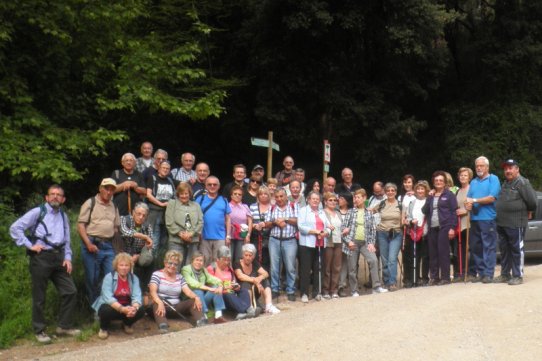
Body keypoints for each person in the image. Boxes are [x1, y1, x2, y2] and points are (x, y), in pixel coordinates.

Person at [9, 184, 80, 343]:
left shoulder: (63, 216)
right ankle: (39, 330)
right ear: (46, 198)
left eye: (58, 195)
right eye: (52, 194)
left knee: (70, 291)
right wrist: (29, 245)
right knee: (40, 296)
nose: (55, 197)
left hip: (59, 258)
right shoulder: (38, 212)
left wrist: (67, 258)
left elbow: (67, 240)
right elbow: (15, 228)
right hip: (41, 257)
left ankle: (64, 326)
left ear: (63, 199)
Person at [78, 178, 121, 304]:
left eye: (112, 190)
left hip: (108, 245)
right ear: (100, 189)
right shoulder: (90, 202)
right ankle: (95, 307)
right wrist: (88, 244)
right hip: (92, 244)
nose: (109, 192)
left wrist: (118, 248)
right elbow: (81, 226)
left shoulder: (114, 205)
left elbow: (116, 227)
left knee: (112, 276)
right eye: (106, 189)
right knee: (92, 278)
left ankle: (107, 304)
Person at [495, 159, 537, 285]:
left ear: (517, 169)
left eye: (510, 168)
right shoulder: (506, 183)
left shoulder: (523, 183)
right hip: (502, 223)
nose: (507, 171)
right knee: (504, 250)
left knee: (517, 250)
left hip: (516, 223)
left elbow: (533, 202)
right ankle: (505, 274)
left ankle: (518, 276)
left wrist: (529, 211)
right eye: (506, 169)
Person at [344, 189, 388, 296]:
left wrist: (371, 243)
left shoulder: (369, 212)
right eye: (355, 197)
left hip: (365, 242)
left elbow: (372, 229)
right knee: (352, 267)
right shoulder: (350, 212)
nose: (356, 199)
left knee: (373, 260)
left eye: (359, 197)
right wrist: (348, 241)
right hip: (353, 242)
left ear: (364, 198)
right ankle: (354, 290)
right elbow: (343, 228)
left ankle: (376, 287)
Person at [92, 252, 146, 340]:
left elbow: (137, 296)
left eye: (126, 265)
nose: (124, 268)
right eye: (121, 265)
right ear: (116, 266)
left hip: (126, 307)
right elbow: (108, 298)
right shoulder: (109, 277)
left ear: (130, 267)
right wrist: (122, 309)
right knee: (105, 309)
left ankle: (127, 324)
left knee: (141, 309)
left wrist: (134, 308)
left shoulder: (134, 278)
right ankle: (104, 328)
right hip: (113, 307)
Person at [149, 250, 205, 332]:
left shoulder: (180, 277)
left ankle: (201, 321)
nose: (172, 266)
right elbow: (153, 291)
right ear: (165, 263)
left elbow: (188, 291)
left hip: (176, 306)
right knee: (156, 303)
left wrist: (196, 297)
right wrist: (159, 302)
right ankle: (163, 326)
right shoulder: (157, 274)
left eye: (175, 264)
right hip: (160, 306)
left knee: (194, 300)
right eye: (170, 263)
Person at [465, 156, 501, 283]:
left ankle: (488, 273)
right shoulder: (473, 182)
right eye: (477, 166)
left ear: (487, 167)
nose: (479, 168)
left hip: (488, 218)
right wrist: (467, 205)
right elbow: (468, 199)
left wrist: (474, 201)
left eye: (481, 166)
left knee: (488, 247)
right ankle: (481, 273)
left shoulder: (493, 179)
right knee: (476, 247)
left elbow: (491, 198)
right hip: (474, 218)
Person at [422, 172, 457, 285]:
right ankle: (434, 277)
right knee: (433, 253)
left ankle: (445, 278)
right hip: (432, 227)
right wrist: (429, 197)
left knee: (443, 253)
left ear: (445, 182)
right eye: (436, 180)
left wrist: (452, 228)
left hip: (445, 227)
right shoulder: (431, 196)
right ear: (433, 182)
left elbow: (453, 212)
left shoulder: (450, 195)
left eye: (441, 180)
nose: (438, 182)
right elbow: (424, 210)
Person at [265, 188, 298, 302]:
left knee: (290, 267)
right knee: (274, 267)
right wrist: (275, 222)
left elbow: (298, 220)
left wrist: (286, 219)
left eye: (281, 196)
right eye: (277, 197)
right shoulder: (272, 207)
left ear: (286, 196)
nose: (279, 199)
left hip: (290, 240)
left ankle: (291, 290)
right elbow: (267, 223)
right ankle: (275, 289)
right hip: (274, 240)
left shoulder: (294, 206)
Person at [207, 246, 257, 320]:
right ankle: (246, 310)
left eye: (228, 260)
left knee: (244, 290)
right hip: (219, 295)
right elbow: (210, 286)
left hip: (231, 292)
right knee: (228, 294)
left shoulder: (229, 269)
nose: (227, 262)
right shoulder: (212, 268)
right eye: (224, 260)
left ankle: (245, 311)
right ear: (218, 259)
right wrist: (225, 287)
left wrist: (236, 286)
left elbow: (233, 282)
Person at [297, 191, 330, 302]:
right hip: (307, 244)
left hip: (320, 244)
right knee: (305, 269)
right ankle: (304, 293)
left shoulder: (322, 212)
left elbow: (329, 226)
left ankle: (317, 292)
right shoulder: (303, 211)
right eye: (313, 199)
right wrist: (315, 231)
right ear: (308, 199)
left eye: (317, 199)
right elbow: (301, 227)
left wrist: (326, 232)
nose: (315, 201)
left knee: (318, 269)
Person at [182, 252, 228, 324]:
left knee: (216, 287)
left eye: (201, 260)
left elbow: (213, 279)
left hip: (202, 300)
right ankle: (204, 316)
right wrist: (208, 288)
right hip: (190, 300)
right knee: (198, 291)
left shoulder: (203, 270)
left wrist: (220, 286)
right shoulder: (186, 269)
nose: (199, 262)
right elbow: (192, 283)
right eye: (197, 260)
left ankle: (218, 316)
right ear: (192, 261)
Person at [233, 244, 280, 314]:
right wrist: (254, 280)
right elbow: (240, 276)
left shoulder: (254, 263)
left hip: (255, 290)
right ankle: (250, 308)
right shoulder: (237, 263)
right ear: (242, 255)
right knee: (246, 283)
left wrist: (259, 279)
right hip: (243, 292)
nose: (248, 258)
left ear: (253, 256)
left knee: (265, 281)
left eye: (250, 255)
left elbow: (266, 273)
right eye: (246, 255)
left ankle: (269, 305)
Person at [165, 182, 203, 267]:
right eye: (181, 194)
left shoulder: (196, 205)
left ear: (190, 194)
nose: (184, 196)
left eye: (186, 193)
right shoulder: (172, 203)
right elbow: (169, 222)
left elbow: (200, 222)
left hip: (193, 240)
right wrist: (181, 234)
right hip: (176, 240)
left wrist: (191, 234)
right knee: (175, 265)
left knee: (190, 267)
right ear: (178, 194)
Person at [195, 176, 232, 265]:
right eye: (209, 184)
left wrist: (228, 236)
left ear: (219, 186)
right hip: (204, 236)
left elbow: (228, 219)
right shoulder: (200, 199)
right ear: (205, 186)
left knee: (219, 262)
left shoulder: (224, 200)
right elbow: (195, 217)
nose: (212, 186)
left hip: (220, 237)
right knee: (204, 261)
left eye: (215, 184)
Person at [373, 183, 402, 291]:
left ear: (395, 192)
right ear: (385, 192)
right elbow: (370, 212)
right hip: (382, 233)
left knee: (392, 259)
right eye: (388, 190)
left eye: (392, 190)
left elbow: (403, 220)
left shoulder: (400, 205)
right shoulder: (381, 204)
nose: (390, 192)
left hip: (396, 234)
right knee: (384, 259)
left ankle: (392, 282)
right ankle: (386, 281)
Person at [120, 202, 154, 293]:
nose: (141, 217)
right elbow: (125, 232)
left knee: (150, 260)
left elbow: (150, 245)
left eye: (144, 215)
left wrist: (138, 256)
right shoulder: (124, 219)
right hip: (122, 252)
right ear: (133, 212)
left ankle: (146, 291)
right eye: (139, 214)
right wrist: (144, 237)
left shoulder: (148, 226)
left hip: (138, 254)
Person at [146, 160, 177, 258]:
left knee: (164, 241)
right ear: (159, 168)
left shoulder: (170, 181)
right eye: (163, 168)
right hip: (155, 212)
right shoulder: (153, 178)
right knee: (154, 240)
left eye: (167, 168)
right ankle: (151, 265)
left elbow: (175, 195)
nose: (165, 170)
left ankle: (160, 263)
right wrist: (161, 203)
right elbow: (148, 195)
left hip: (167, 214)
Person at [403, 181, 430, 287]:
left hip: (425, 232)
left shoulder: (429, 201)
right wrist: (410, 221)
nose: (420, 191)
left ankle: (424, 278)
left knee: (425, 256)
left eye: (422, 189)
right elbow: (408, 216)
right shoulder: (412, 202)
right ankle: (414, 278)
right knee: (414, 256)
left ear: (426, 190)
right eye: (418, 189)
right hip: (413, 231)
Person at [322, 192, 343, 299]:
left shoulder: (338, 213)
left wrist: (345, 230)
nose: (333, 202)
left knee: (337, 267)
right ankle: (325, 290)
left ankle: (334, 290)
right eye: (330, 200)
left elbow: (341, 227)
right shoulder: (322, 213)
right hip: (328, 242)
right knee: (327, 267)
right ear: (325, 202)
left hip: (338, 242)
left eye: (335, 200)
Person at [453, 167, 473, 281]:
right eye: (461, 175)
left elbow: (475, 205)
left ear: (469, 177)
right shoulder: (457, 191)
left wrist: (465, 211)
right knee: (460, 250)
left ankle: (470, 272)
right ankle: (461, 272)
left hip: (469, 223)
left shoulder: (472, 189)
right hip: (459, 224)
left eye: (465, 175)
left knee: (469, 249)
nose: (463, 177)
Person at [250, 186, 273, 271]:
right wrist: (254, 226)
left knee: (267, 258)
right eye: (261, 194)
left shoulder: (273, 207)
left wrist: (266, 225)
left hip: (268, 236)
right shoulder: (253, 206)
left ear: (269, 195)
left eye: (265, 194)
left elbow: (274, 222)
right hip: (255, 235)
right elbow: (248, 221)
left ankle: (266, 279)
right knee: (255, 257)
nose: (263, 196)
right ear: (258, 196)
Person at [229, 185, 253, 263]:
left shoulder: (245, 207)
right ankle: (230, 275)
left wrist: (248, 235)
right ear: (231, 195)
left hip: (242, 236)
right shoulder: (227, 206)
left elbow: (250, 221)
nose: (237, 195)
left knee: (239, 258)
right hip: (230, 236)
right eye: (235, 194)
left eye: (239, 194)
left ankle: (238, 275)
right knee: (228, 257)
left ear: (242, 196)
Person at [337, 192, 354, 297]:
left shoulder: (352, 212)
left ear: (347, 201)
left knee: (344, 264)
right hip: (335, 240)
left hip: (347, 241)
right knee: (335, 264)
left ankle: (341, 286)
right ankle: (332, 285)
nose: (339, 200)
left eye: (342, 198)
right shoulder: (335, 211)